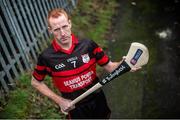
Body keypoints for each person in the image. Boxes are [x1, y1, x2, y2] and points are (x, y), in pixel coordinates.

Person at [31, 8, 140, 119]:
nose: (62, 33)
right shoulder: (47, 57)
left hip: (98, 100)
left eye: (64, 27)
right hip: (75, 108)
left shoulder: (88, 45)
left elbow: (110, 66)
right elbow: (36, 82)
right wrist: (60, 101)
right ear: (50, 30)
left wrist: (123, 65)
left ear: (70, 23)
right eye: (56, 30)